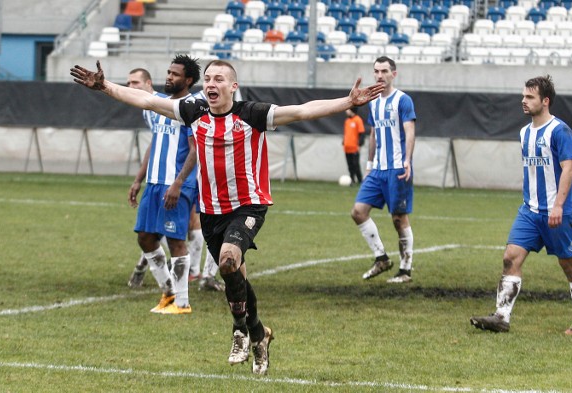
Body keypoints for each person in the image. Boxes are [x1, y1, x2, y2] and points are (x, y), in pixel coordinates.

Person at [70, 59, 383, 375]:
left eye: (219, 79)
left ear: (233, 86)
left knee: (228, 261)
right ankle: (260, 334)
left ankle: (239, 332)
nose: (211, 84)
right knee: (237, 277)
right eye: (207, 79)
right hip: (211, 211)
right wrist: (105, 86)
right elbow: (148, 100)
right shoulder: (195, 111)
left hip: (248, 206)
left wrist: (348, 101)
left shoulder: (253, 114)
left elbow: (301, 111)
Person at [470, 75, 572, 335]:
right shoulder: (524, 133)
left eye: (529, 97)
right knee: (510, 257)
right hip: (529, 211)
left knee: (570, 266)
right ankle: (501, 317)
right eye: (523, 96)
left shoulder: (560, 130)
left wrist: (558, 205)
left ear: (545, 101)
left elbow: (567, 169)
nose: (523, 101)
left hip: (558, 212)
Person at [125, 68, 225, 293]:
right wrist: (139, 178)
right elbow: (157, 141)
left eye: (135, 83)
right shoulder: (150, 110)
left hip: (201, 174)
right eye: (128, 84)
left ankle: (200, 276)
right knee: (172, 227)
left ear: (148, 84)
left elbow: (196, 143)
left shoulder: (189, 103)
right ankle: (189, 278)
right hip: (172, 178)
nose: (131, 88)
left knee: (211, 224)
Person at [123, 55, 200, 315]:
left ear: (188, 80)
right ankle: (168, 291)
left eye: (175, 74)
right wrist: (138, 179)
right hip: (154, 183)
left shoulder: (192, 107)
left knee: (176, 240)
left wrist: (178, 184)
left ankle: (182, 303)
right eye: (168, 72)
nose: (169, 77)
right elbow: (155, 143)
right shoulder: (159, 105)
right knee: (145, 237)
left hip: (175, 185)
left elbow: (195, 149)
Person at [350, 56, 417, 284]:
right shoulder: (374, 101)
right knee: (358, 212)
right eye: (376, 71)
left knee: (399, 219)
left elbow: (409, 130)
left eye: (384, 71)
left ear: (393, 74)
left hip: (397, 168)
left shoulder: (403, 100)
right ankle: (381, 257)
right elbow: (373, 134)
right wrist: (368, 166)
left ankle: (405, 269)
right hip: (377, 170)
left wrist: (407, 160)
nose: (379, 75)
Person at [342, 106, 366, 185]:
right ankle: (352, 180)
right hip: (347, 147)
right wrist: (343, 142)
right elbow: (346, 133)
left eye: (348, 109)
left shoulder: (358, 120)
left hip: (355, 147)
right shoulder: (347, 121)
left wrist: (360, 144)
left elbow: (362, 133)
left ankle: (360, 180)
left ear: (352, 110)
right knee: (350, 165)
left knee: (356, 164)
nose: (346, 111)